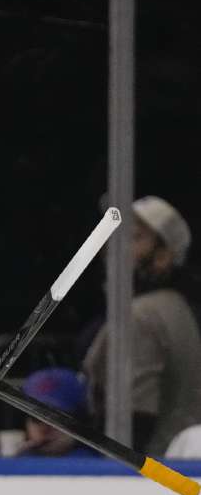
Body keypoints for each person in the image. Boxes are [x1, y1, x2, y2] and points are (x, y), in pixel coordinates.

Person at [83, 195, 201, 454]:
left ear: (163, 256)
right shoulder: (175, 306)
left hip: (150, 477)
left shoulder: (143, 316)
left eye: (134, 237)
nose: (114, 248)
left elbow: (133, 425)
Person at [17, 367, 97, 457]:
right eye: (36, 418)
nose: (45, 429)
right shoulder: (21, 460)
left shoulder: (97, 463)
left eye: (56, 418)